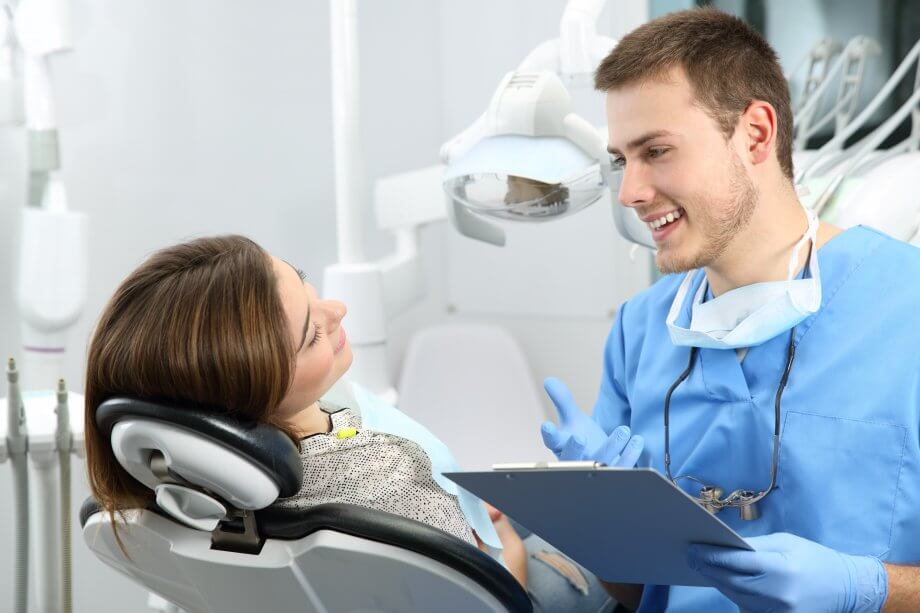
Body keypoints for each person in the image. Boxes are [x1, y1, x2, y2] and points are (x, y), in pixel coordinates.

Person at [540, 8, 920, 612]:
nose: (630, 191)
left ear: (756, 135)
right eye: (621, 160)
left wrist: (868, 590)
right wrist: (599, 525)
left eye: (656, 151)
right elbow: (636, 593)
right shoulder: (640, 331)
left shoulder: (907, 309)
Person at [83, 235, 614, 613]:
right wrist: (506, 542)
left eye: (308, 287)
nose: (335, 309)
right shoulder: (384, 472)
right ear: (256, 389)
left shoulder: (180, 490)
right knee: (599, 538)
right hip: (514, 589)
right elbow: (492, 592)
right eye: (312, 333)